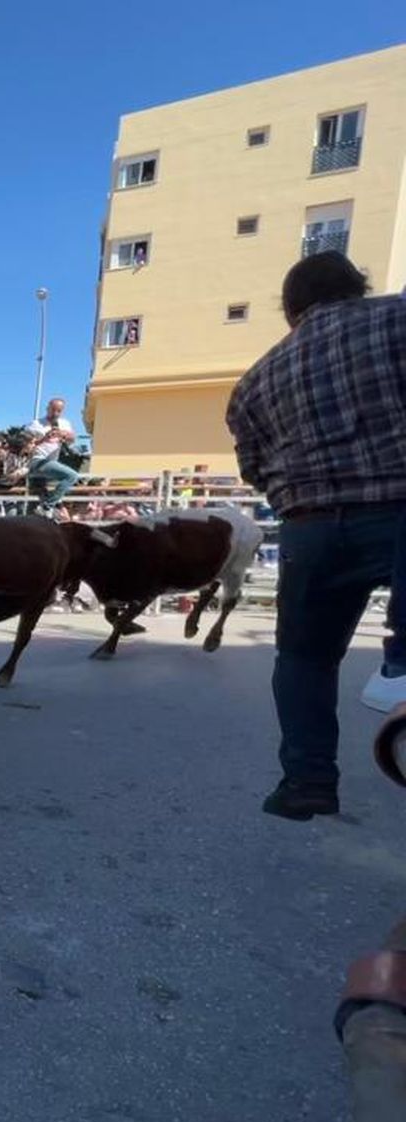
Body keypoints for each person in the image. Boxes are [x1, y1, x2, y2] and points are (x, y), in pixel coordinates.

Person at [227, 251, 406, 820]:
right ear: (358, 287)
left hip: (312, 529)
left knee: (304, 657)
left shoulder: (253, 383)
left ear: (290, 310)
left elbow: (253, 468)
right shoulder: (397, 318)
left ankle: (306, 781)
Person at [25, 398, 78, 515]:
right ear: (47, 408)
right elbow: (24, 444)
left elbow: (73, 439)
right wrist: (44, 438)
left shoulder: (64, 423)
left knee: (35, 501)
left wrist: (63, 434)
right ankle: (48, 505)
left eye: (59, 411)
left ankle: (34, 521)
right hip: (36, 461)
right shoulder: (36, 424)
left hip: (50, 464)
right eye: (53, 410)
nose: (55, 413)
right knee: (71, 476)